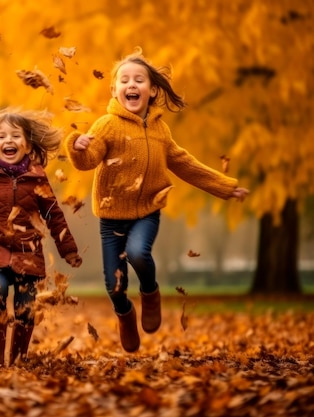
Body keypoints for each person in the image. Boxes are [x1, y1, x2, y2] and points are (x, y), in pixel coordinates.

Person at [63, 49, 249, 353]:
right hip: (111, 217)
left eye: (139, 80)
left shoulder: (161, 130)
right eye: (124, 80)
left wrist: (225, 187)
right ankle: (125, 314)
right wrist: (77, 145)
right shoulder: (106, 125)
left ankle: (150, 291)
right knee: (114, 285)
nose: (131, 85)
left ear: (151, 91)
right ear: (114, 90)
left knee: (138, 253)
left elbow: (185, 164)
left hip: (146, 212)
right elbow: (87, 161)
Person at [0, 108, 83, 368]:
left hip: (28, 253)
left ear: (28, 143)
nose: (8, 141)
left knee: (26, 305)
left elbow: (54, 215)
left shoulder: (37, 177)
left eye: (15, 135)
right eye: (1, 136)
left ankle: (19, 358)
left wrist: (68, 250)